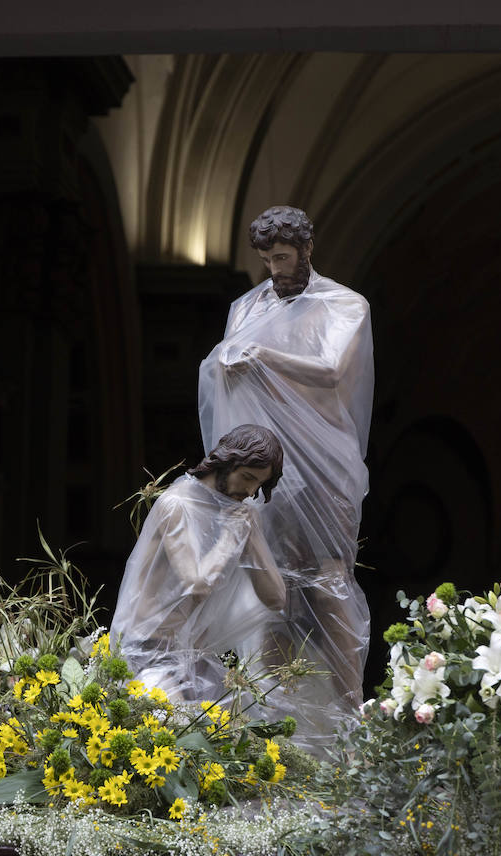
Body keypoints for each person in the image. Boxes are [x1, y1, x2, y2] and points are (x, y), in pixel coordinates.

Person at [198, 205, 374, 747]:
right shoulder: (247, 307)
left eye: (282, 257)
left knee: (329, 580)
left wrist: (262, 356)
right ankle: (270, 724)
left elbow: (331, 371)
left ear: (306, 250)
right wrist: (231, 364)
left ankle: (351, 717)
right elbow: (226, 368)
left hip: (323, 461)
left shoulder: (344, 303)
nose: (275, 269)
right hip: (265, 460)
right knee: (270, 585)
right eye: (267, 259)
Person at [110, 424, 286, 703]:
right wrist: (229, 538)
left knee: (242, 718)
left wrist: (250, 535)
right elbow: (196, 585)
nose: (251, 491)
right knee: (176, 722)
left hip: (194, 656)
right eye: (247, 477)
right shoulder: (177, 505)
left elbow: (275, 598)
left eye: (259, 484)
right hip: (147, 651)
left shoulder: (240, 515)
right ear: (226, 462)